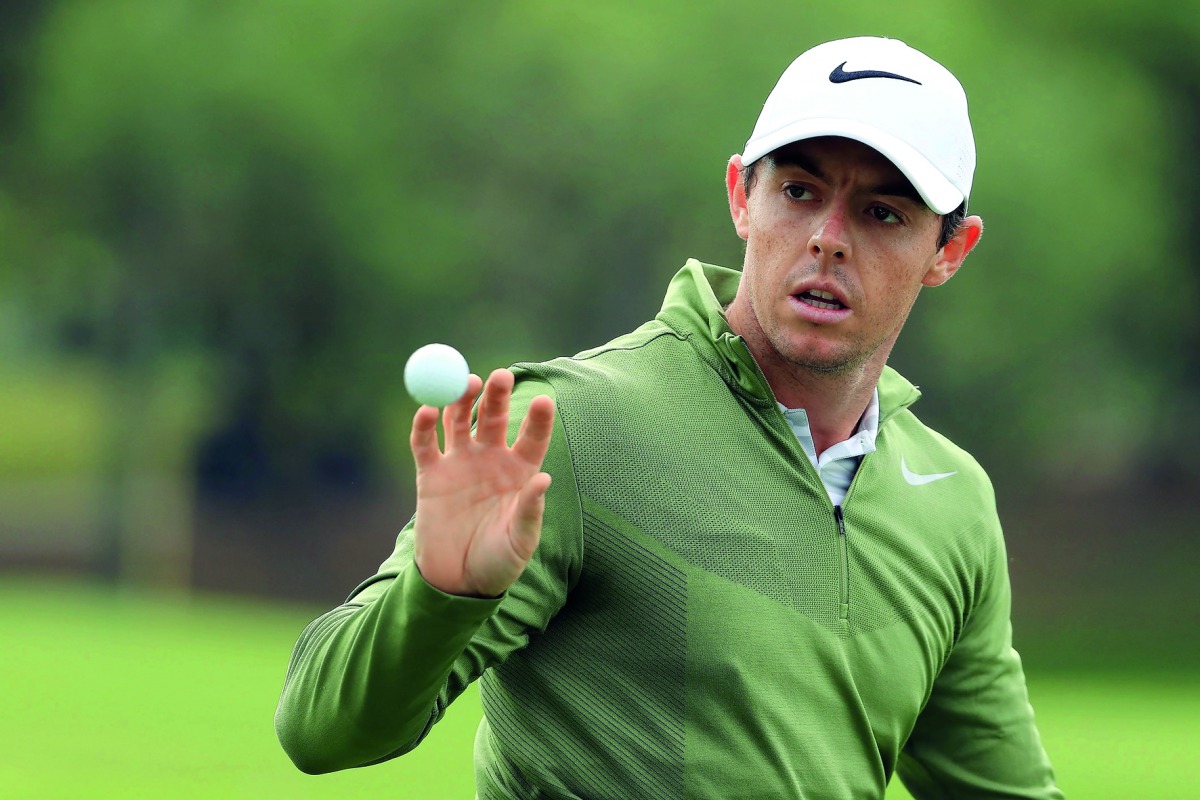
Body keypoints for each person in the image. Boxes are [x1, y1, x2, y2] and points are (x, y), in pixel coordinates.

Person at [275, 36, 1063, 799]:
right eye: (798, 191)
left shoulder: (953, 500)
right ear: (740, 198)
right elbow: (322, 732)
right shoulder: (569, 428)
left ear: (950, 250)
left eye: (883, 213)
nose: (827, 239)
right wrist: (441, 595)